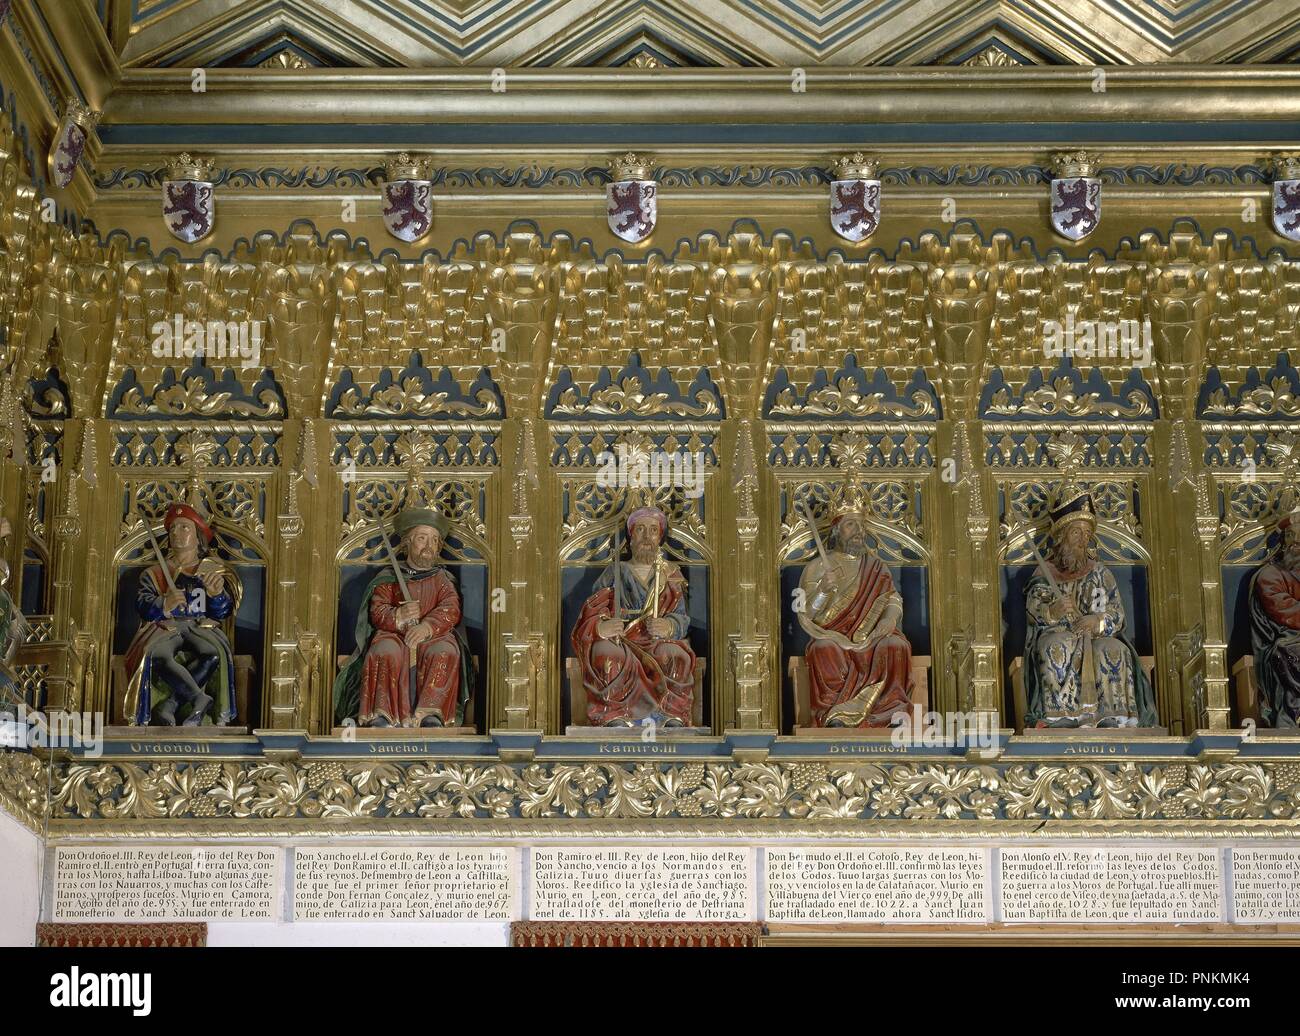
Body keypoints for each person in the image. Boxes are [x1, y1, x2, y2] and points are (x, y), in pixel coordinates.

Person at [1023, 487, 1156, 728]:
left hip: (1094, 637)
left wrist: (1098, 622)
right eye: (1076, 532)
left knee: (1112, 648)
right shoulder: (1045, 573)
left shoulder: (1099, 573)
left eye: (1087, 534)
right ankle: (1062, 715)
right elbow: (1034, 608)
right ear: (1062, 537)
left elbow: (1115, 611)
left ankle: (1113, 716)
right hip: (1059, 634)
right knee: (1057, 645)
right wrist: (1053, 611)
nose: (1083, 540)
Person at [334, 507, 471, 727]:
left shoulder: (442, 579)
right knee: (384, 651)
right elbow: (377, 611)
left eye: (434, 540)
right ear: (407, 542)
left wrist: (426, 627)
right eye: (422, 538)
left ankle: (431, 714)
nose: (428, 546)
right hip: (394, 635)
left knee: (444, 651)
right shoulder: (389, 578)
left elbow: (451, 608)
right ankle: (383, 715)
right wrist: (398, 615)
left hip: (434, 636)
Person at [571, 506, 695, 726]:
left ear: (660, 537)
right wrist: (602, 627)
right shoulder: (615, 571)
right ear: (631, 537)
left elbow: (681, 616)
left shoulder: (670, 573)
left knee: (676, 655)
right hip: (622, 641)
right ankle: (614, 714)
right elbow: (593, 609)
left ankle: (669, 715)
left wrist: (668, 625)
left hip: (656, 640)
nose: (646, 536)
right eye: (640, 529)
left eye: (653, 530)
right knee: (607, 655)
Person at [798, 504, 913, 727]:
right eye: (851, 524)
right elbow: (806, 613)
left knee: (895, 645)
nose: (859, 531)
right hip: (833, 635)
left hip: (871, 635)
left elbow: (892, 599)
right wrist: (822, 590)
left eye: (861, 525)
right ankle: (835, 713)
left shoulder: (876, 566)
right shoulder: (817, 567)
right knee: (822, 649)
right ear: (835, 531)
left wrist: (889, 619)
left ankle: (891, 712)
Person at [124, 504, 238, 726]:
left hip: (199, 626)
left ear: (198, 537)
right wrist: (164, 604)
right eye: (173, 528)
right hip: (166, 627)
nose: (176, 533)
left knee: (213, 653)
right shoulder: (155, 573)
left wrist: (216, 596)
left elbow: (223, 612)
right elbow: (143, 605)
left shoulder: (211, 570)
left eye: (184, 527)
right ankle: (198, 698)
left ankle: (171, 705)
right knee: (155, 654)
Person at [1248, 506, 1300, 727]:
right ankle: (1293, 717)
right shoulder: (1270, 575)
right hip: (1284, 638)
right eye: (1292, 537)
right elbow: (1284, 610)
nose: (1296, 542)